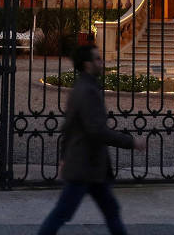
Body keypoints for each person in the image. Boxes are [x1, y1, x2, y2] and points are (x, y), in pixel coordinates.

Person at [38, 45, 145, 235]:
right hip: (85, 165)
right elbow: (97, 131)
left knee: (109, 210)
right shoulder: (88, 91)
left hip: (91, 166)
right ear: (87, 64)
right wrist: (131, 142)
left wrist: (63, 157)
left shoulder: (81, 87)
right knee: (63, 213)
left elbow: (68, 127)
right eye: (97, 59)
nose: (101, 62)